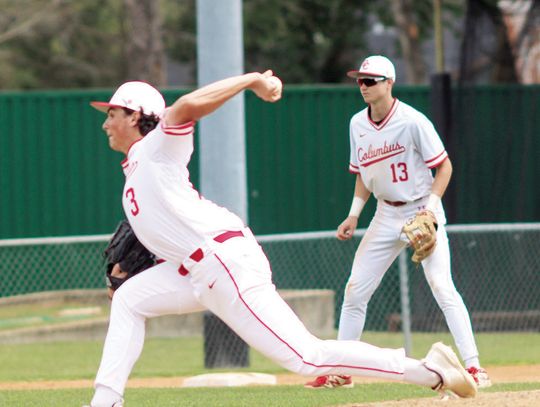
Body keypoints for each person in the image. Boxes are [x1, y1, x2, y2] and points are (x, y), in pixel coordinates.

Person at [84, 71, 477, 407]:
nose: (105, 123)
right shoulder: (137, 167)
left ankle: (428, 371)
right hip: (193, 271)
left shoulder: (158, 145)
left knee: (308, 357)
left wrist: (252, 80)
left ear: (137, 116)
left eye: (113, 114)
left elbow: (186, 106)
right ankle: (106, 400)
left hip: (224, 262)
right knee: (130, 300)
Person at [304, 56, 491, 390]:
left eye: (370, 81)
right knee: (355, 290)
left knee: (441, 286)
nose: (363, 86)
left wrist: (431, 210)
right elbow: (362, 174)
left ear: (389, 82)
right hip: (385, 214)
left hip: (420, 209)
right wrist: (353, 214)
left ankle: (475, 368)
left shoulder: (412, 121)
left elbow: (444, 167)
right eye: (360, 81)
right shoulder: (356, 124)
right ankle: (342, 370)